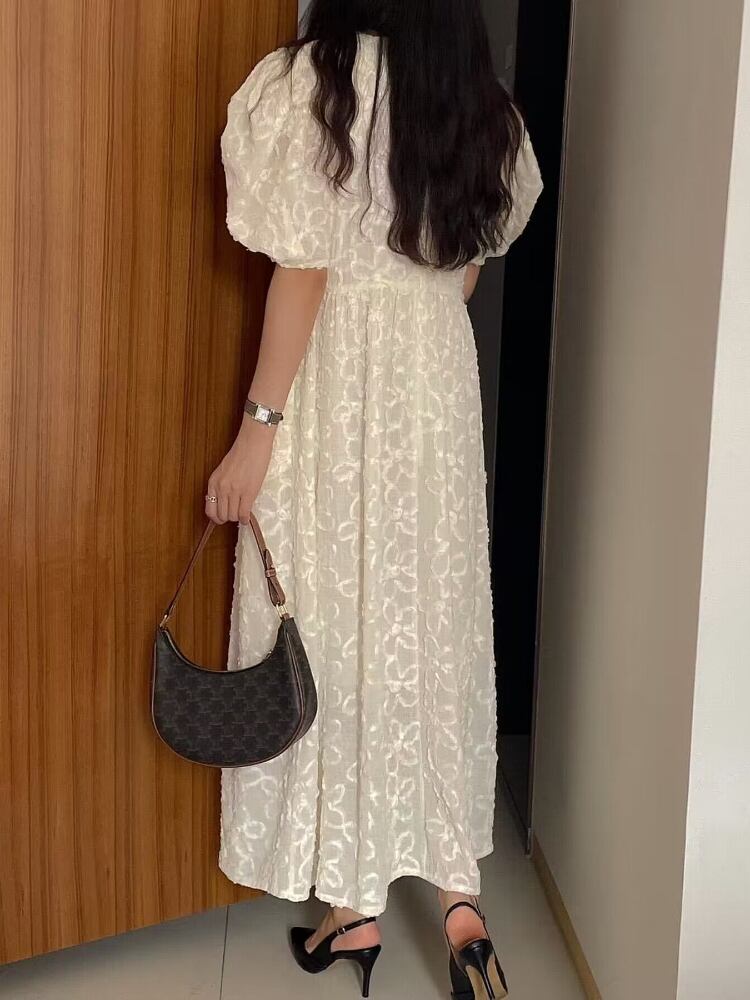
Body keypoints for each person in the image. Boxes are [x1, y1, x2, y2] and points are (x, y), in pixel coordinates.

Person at [207, 1, 542, 996]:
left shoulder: (309, 87)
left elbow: (302, 274)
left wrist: (257, 431)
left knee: (335, 621)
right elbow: (464, 273)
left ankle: (353, 907)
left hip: (335, 388)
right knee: (430, 623)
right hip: (434, 393)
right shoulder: (482, 105)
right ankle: (464, 912)